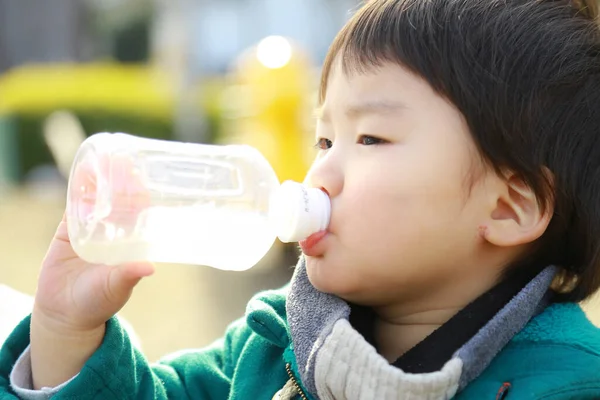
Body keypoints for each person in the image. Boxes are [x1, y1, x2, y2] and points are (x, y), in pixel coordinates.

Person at [3, 0, 600, 398]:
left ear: (507, 208)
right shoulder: (271, 345)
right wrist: (66, 331)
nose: (321, 172)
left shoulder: (566, 382)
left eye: (370, 137)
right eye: (324, 138)